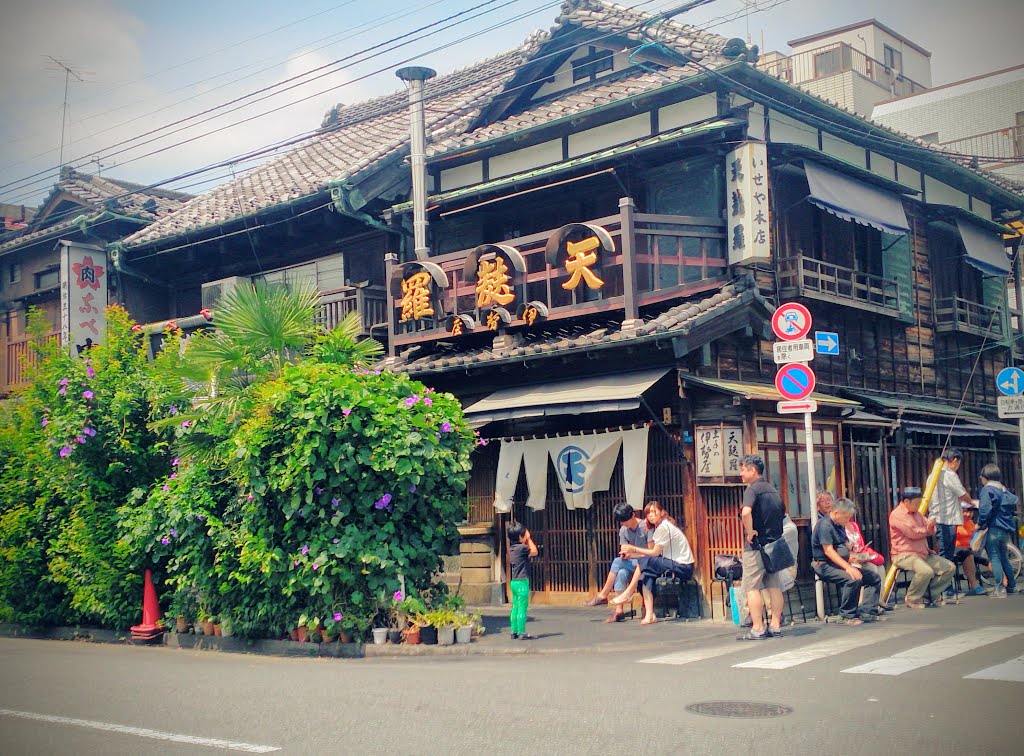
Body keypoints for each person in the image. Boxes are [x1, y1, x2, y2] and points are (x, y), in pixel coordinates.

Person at [609, 501, 695, 625]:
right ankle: (650, 614)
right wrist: (633, 554)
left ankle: (628, 593)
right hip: (672, 563)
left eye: (654, 512)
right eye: (648, 513)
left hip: (682, 566)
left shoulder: (664, 528)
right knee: (645, 575)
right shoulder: (659, 527)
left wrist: (633, 550)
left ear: (662, 512)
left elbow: (654, 552)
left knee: (645, 560)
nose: (651, 515)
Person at [737, 454, 786, 640]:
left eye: (743, 469)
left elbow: (746, 512)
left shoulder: (752, 490)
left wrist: (750, 531)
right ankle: (775, 626)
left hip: (756, 546)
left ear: (752, 470)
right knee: (774, 585)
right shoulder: (773, 490)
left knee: (752, 587)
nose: (741, 474)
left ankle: (757, 628)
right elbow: (782, 513)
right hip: (774, 544)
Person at [812, 497, 881, 624]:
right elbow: (829, 551)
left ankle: (867, 610)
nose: (847, 520)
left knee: (873, 578)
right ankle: (846, 614)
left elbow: (844, 545)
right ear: (837, 512)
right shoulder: (824, 525)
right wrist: (848, 567)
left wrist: (854, 552)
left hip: (842, 561)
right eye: (846, 517)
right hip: (824, 565)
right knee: (853, 578)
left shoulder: (840, 524)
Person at [582, 503, 652, 623]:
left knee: (617, 562)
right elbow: (623, 549)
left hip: (646, 561)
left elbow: (652, 552)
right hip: (633, 561)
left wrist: (633, 553)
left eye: (626, 521)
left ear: (633, 515)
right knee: (621, 572)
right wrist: (625, 554)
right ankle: (618, 610)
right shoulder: (624, 530)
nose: (624, 524)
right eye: (622, 522)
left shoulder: (645, 527)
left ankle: (604, 595)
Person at [889, 486, 955, 608]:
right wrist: (927, 529)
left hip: (922, 553)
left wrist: (930, 527)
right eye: (917, 503)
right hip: (904, 554)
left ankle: (929, 594)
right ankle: (912, 598)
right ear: (907, 501)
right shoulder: (897, 515)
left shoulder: (917, 514)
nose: (919, 505)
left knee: (949, 568)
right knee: (925, 571)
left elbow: (930, 528)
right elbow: (913, 533)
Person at [933, 450, 972, 595]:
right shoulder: (949, 474)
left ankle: (945, 587)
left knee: (945, 553)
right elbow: (962, 494)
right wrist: (971, 502)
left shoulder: (934, 474)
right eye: (959, 463)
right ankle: (944, 588)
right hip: (946, 519)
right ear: (954, 460)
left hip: (939, 518)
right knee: (946, 554)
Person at [977, 463, 1019, 598]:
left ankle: (1000, 589)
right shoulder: (1003, 490)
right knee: (1004, 558)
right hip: (1005, 529)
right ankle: (1012, 587)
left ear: (986, 477)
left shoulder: (987, 490)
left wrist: (980, 524)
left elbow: (985, 509)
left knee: (994, 558)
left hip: (994, 528)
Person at [845, 510, 894, 612]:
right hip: (850, 559)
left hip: (860, 555)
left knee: (880, 567)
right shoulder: (840, 528)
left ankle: (878, 599)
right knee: (872, 570)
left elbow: (861, 543)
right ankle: (865, 603)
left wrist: (862, 551)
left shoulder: (854, 525)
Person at [507, 522, 538, 640]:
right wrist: (529, 538)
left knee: (515, 607)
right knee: (522, 608)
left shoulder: (512, 548)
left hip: (514, 582)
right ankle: (522, 632)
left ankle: (513, 631)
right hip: (522, 582)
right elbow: (534, 551)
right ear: (520, 536)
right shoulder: (522, 548)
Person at [954, 503, 986, 596]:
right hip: (956, 550)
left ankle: (1004, 582)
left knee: (986, 560)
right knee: (968, 554)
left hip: (969, 548)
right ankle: (974, 585)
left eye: (970, 512)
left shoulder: (971, 523)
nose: (968, 514)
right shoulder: (955, 524)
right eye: (965, 512)